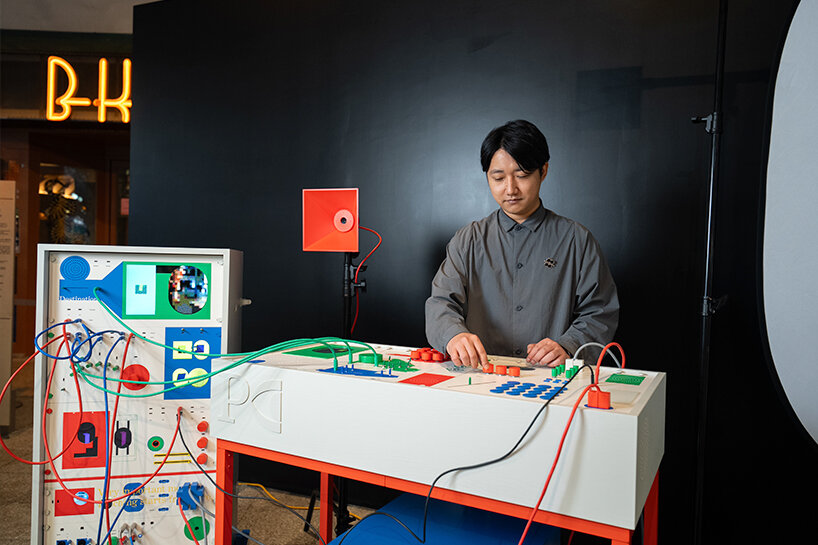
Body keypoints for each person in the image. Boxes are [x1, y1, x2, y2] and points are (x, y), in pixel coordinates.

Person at [425, 120, 619, 368]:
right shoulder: (468, 240)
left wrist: (568, 346)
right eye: (498, 178)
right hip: (479, 374)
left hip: (551, 377)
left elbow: (600, 312)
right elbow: (440, 302)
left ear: (543, 171)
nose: (510, 189)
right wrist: (453, 335)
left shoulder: (577, 240)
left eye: (522, 175)